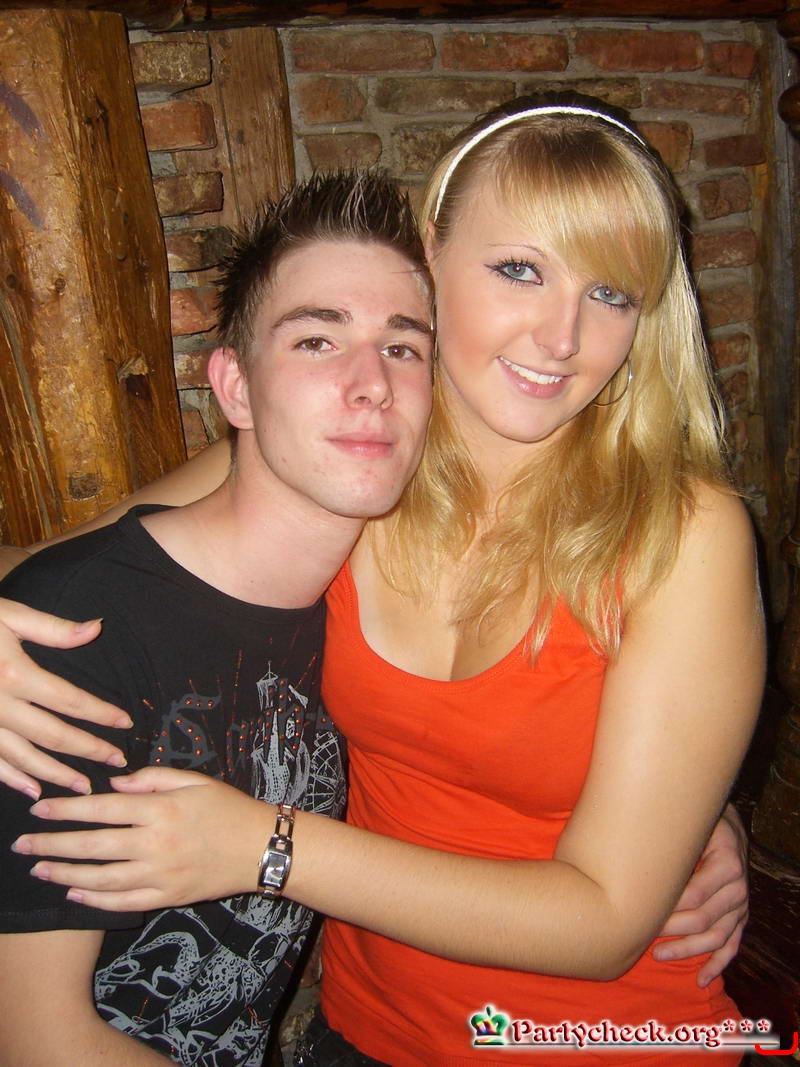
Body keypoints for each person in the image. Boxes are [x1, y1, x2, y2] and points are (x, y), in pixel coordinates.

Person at [0, 96, 763, 1064]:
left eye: (610, 291)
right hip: (366, 1037)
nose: (562, 336)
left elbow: (607, 917)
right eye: (520, 270)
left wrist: (266, 846)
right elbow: (84, 562)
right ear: (431, 256)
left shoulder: (684, 530)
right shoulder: (357, 462)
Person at [0, 169, 434, 1066]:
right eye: (317, 340)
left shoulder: (373, 605)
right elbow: (37, 1040)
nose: (372, 385)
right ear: (235, 388)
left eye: (403, 347)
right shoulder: (71, 639)